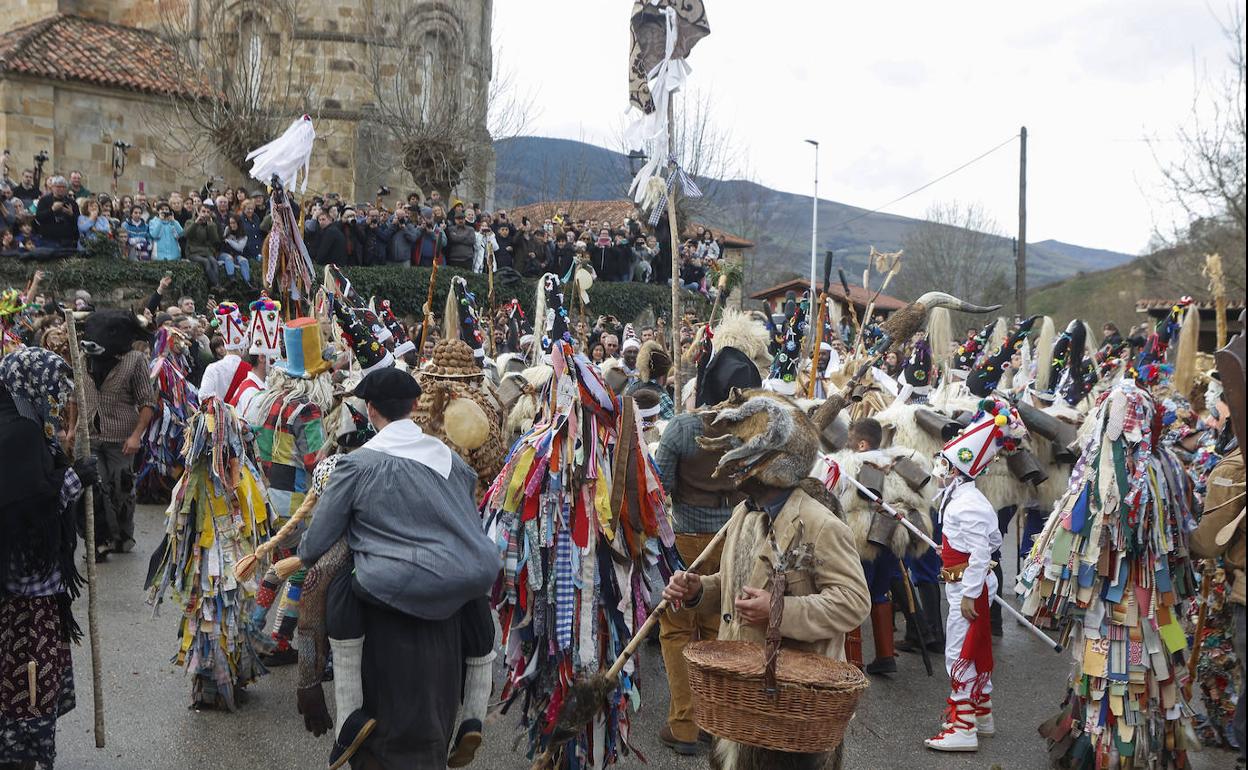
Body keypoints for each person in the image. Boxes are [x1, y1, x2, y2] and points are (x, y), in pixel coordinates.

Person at [297, 367, 499, 769]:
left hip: (386, 591)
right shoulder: (454, 464)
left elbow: (314, 545)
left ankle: (345, 713)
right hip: (458, 591)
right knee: (479, 616)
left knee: (330, 586)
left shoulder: (355, 466)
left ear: (371, 410)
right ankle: (473, 712)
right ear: (413, 407)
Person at [662, 391, 871, 770]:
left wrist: (778, 610)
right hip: (740, 696)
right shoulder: (744, 515)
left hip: (791, 705)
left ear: (768, 466)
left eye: (740, 455)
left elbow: (853, 601)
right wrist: (698, 592)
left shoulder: (821, 524)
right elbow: (736, 583)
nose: (728, 466)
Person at [651, 323, 761, 756]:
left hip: (684, 539)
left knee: (676, 628)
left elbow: (659, 488)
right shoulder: (752, 433)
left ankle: (683, 724)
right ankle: (715, 723)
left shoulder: (679, 429)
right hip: (732, 539)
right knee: (719, 627)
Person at [0, 348, 96, 770]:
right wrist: (76, 478)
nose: (51, 404)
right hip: (25, 596)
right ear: (28, 388)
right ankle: (19, 755)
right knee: (28, 676)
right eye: (47, 394)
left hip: (28, 590)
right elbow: (29, 503)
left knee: (28, 673)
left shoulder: (24, 426)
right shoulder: (17, 433)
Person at [924, 398, 1026, 752]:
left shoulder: (966, 504)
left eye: (943, 463)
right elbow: (990, 539)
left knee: (960, 651)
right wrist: (951, 552)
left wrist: (968, 592)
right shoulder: (964, 497)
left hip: (969, 589)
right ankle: (981, 716)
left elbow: (984, 550)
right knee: (972, 647)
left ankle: (963, 727)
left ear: (955, 470)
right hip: (970, 581)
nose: (938, 467)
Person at [34, 176, 80, 249]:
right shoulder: (44, 200)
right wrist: (52, 210)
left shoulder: (72, 202)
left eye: (63, 187)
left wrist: (71, 214)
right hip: (48, 240)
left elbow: (79, 221)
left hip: (67, 240)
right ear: (52, 187)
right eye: (58, 187)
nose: (61, 189)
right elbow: (39, 218)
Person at [183, 204, 223, 287]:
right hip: (193, 251)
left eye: (208, 212)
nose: (205, 214)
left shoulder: (211, 224)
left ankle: (216, 285)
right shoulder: (190, 222)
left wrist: (211, 225)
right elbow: (186, 235)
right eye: (203, 211)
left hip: (206, 251)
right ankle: (216, 285)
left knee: (214, 262)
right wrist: (196, 223)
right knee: (206, 262)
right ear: (198, 212)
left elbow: (215, 240)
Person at [219, 214, 253, 285]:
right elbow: (223, 240)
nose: (232, 225)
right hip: (224, 253)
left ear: (238, 223)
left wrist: (229, 241)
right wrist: (227, 240)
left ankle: (248, 282)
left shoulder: (243, 235)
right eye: (230, 223)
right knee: (229, 258)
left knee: (244, 260)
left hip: (236, 254)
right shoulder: (227, 229)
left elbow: (239, 247)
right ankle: (232, 278)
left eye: (234, 223)